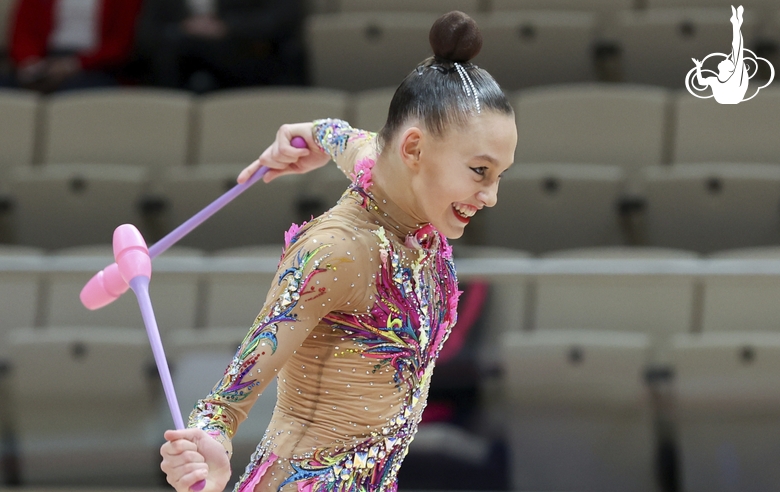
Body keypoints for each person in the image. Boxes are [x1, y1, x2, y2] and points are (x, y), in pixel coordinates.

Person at [159, 11, 517, 492]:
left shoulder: (398, 180)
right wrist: (210, 443)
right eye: (479, 171)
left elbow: (358, 143)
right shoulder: (336, 253)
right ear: (415, 151)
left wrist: (312, 132)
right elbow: (226, 400)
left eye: (500, 175)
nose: (491, 196)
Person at [135, 0, 305, 92]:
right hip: (180, 61)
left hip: (244, 56)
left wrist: (227, 27)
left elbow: (284, 18)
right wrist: (185, 28)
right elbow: (147, 33)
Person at [3, 0, 143, 93]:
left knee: (80, 91)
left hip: (94, 65)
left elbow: (120, 45)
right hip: (45, 59)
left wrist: (73, 65)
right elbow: (23, 33)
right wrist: (31, 63)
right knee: (7, 86)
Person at [692, 5, 748, 104]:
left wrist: (736, 26)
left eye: (728, 61)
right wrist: (698, 67)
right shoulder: (714, 80)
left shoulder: (735, 78)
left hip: (733, 100)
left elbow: (737, 48)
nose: (725, 59)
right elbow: (701, 82)